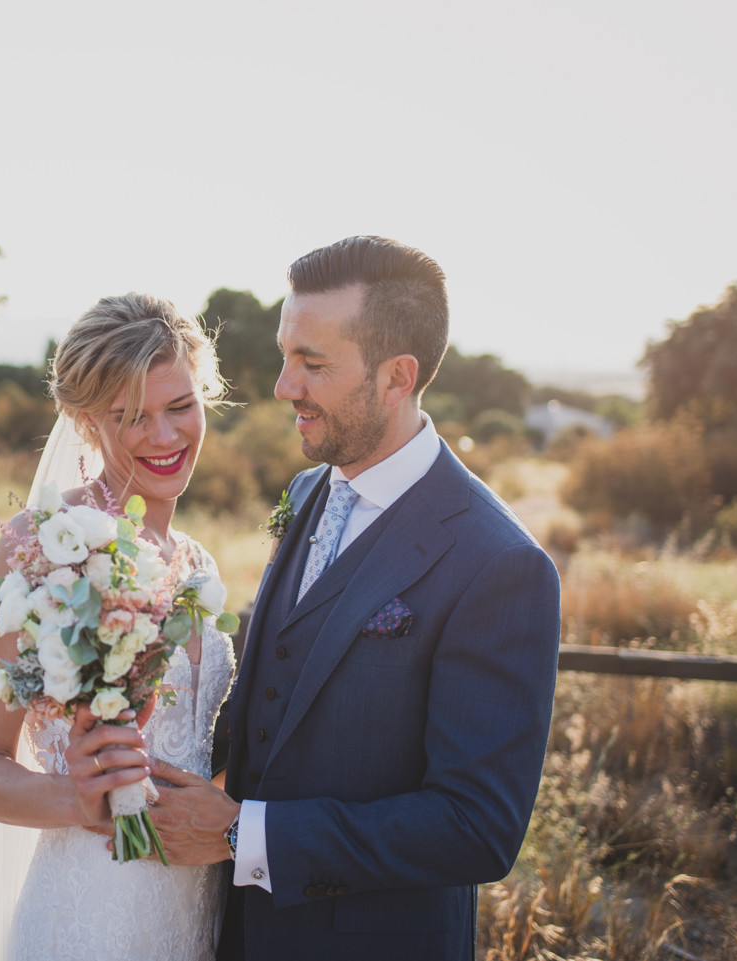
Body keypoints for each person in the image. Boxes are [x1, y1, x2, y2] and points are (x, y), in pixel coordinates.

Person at [79, 235, 562, 960]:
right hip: (228, 931)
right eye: (285, 355)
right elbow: (272, 707)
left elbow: (476, 826)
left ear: (397, 377)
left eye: (312, 363)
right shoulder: (307, 491)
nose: (283, 386)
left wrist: (245, 834)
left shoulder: (499, 564)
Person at [0, 292, 237, 961]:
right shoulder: (41, 549)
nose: (165, 437)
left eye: (181, 407)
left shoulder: (198, 563)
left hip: (195, 910)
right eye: (130, 416)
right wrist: (80, 799)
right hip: (91, 912)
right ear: (84, 419)